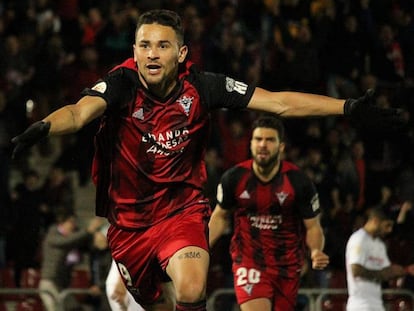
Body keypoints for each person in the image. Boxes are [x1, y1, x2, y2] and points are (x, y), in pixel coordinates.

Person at [10, 9, 405, 311]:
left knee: (193, 286)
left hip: (182, 211)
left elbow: (279, 102)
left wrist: (347, 107)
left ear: (181, 53)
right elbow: (79, 113)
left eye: (162, 45)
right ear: (133, 51)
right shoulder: (120, 84)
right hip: (128, 226)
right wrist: (44, 126)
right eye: (144, 45)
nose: (152, 53)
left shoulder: (202, 86)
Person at [208, 115, 330, 311]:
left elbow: (313, 226)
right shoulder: (233, 178)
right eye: (258, 139)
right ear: (251, 144)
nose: (262, 145)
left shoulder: (299, 182)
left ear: (281, 146)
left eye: (269, 140)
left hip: (287, 266)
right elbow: (219, 217)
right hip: (248, 261)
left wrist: (315, 251)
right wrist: (201, 248)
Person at [345, 207, 414, 311]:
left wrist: (406, 270)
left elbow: (386, 271)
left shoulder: (380, 245)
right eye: (387, 225)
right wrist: (380, 274)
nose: (389, 230)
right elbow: (356, 270)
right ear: (375, 221)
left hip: (376, 304)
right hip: (360, 305)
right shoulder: (359, 239)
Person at [38, 209, 104, 311]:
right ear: (62, 222)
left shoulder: (71, 239)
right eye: (71, 222)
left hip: (63, 285)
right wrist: (88, 230)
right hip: (50, 282)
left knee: (75, 308)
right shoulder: (53, 234)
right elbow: (67, 241)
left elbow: (81, 244)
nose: (73, 225)